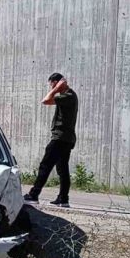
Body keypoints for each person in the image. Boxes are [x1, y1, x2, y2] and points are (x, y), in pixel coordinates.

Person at [24, 73, 79, 207]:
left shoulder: (68, 95)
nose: (52, 87)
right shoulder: (68, 95)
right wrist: (57, 88)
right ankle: (63, 198)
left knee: (45, 165)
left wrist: (55, 89)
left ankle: (33, 195)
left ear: (58, 82)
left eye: (52, 84)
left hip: (60, 138)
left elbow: (45, 101)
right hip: (66, 138)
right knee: (62, 169)